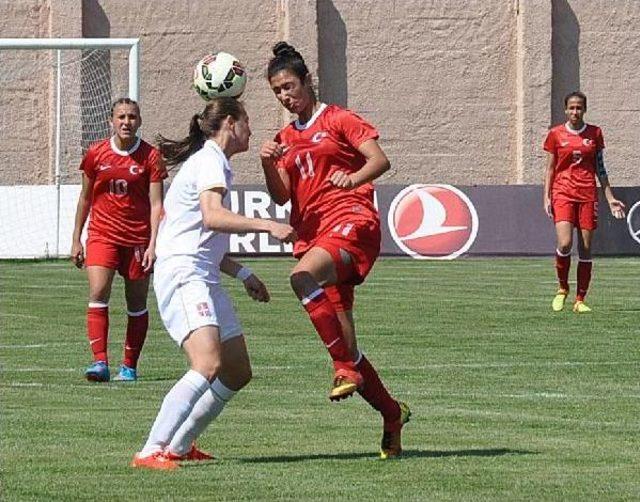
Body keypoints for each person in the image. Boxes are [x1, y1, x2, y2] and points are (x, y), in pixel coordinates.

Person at [259, 42, 410, 459]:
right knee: (347, 349)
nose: (285, 97)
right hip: (314, 234)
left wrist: (353, 177)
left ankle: (341, 367)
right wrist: (269, 164)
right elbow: (282, 198)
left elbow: (380, 160)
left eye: (290, 86)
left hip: (352, 221)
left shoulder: (339, 118)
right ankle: (392, 415)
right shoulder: (285, 138)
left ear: (307, 81)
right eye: (277, 92)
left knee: (300, 277)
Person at [131, 97, 296, 470]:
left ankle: (179, 446)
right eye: (247, 121)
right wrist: (269, 225)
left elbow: (203, 239)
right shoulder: (209, 161)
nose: (251, 129)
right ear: (230, 123)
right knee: (207, 363)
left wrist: (244, 274)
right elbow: (213, 217)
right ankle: (150, 450)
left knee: (237, 370)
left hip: (201, 272)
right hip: (185, 274)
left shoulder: (213, 162)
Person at [71, 98, 166, 382]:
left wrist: (153, 244)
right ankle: (99, 362)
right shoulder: (95, 154)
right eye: (121, 117)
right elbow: (85, 197)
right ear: (111, 121)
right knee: (99, 291)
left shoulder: (150, 156)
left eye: (132, 117)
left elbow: (156, 205)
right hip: (102, 234)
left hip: (138, 239)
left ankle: (129, 366)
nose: (127, 122)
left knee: (136, 302)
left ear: (139, 121)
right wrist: (76, 239)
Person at [543, 91, 626, 313]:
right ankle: (562, 289)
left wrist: (610, 199)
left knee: (586, 249)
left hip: (587, 194)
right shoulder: (555, 134)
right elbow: (550, 169)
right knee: (564, 243)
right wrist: (547, 196)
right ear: (565, 110)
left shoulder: (595, 133)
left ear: (584, 109)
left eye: (579, 108)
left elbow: (600, 168)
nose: (575, 111)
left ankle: (580, 299)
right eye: (571, 107)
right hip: (563, 193)